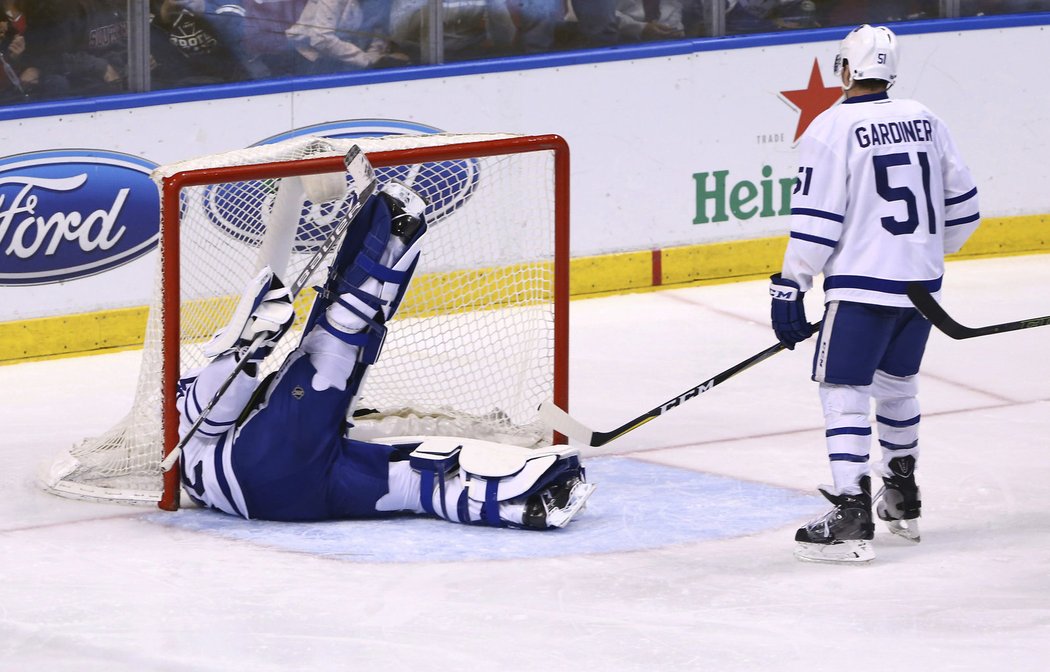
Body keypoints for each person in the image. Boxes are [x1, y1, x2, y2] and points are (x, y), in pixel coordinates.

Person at [176, 176, 595, 528]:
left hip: (285, 501)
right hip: (256, 466)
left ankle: (530, 506)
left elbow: (212, 413)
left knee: (421, 484)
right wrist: (244, 351)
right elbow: (213, 409)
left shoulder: (178, 441)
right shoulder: (183, 413)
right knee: (329, 348)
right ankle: (390, 235)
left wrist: (248, 349)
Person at [769, 24, 980, 563]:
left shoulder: (831, 127)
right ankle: (901, 496)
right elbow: (964, 210)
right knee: (897, 385)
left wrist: (791, 286)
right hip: (921, 289)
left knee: (842, 387)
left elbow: (816, 224)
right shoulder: (926, 118)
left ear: (846, 67)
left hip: (863, 287)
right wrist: (921, 253)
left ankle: (850, 509)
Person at [287, 0, 409, 73]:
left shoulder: (379, 3)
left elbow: (377, 33)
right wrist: (366, 61)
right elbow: (321, 39)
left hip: (344, 56)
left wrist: (377, 59)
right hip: (310, 57)